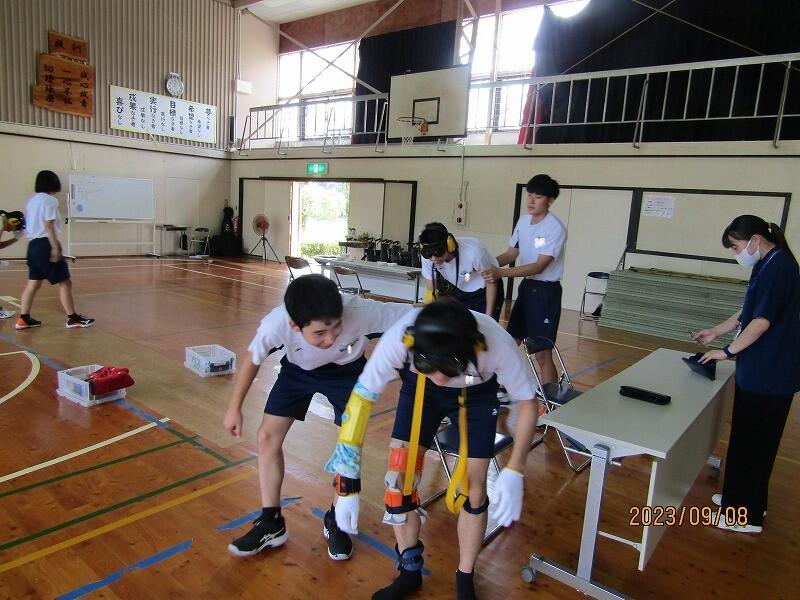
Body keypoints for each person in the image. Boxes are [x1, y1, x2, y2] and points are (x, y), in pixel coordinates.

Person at [325, 298, 539, 600]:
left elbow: (528, 404)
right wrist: (346, 485)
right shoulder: (400, 336)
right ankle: (409, 570)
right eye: (430, 366)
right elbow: (359, 401)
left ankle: (465, 576)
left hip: (476, 394)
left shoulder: (497, 343)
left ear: (472, 349)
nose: (440, 377)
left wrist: (515, 468)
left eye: (449, 368)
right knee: (397, 482)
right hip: (420, 390)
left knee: (474, 489)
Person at [223, 274, 411, 560]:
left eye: (336, 327)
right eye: (320, 333)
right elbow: (253, 358)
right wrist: (234, 407)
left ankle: (337, 518)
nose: (331, 338)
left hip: (347, 374)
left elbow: (417, 314)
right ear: (295, 326)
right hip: (297, 372)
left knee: (349, 446)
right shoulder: (276, 324)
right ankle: (271, 523)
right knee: (267, 436)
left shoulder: (362, 311)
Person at [694, 215, 799, 534]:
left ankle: (746, 516)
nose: (735, 254)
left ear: (755, 240)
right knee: (746, 439)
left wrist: (726, 352)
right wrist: (717, 331)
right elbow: (747, 310)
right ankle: (741, 501)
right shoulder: (767, 264)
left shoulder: (780, 268)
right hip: (759, 369)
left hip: (771, 373)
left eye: (736, 247)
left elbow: (761, 323)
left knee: (755, 444)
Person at [483, 174, 566, 384]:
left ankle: (549, 399)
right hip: (527, 288)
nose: (531, 201)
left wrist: (500, 273)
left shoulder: (554, 228)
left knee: (542, 353)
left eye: (538, 197)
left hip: (546, 293)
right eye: (529, 195)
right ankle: (503, 390)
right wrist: (486, 265)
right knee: (510, 343)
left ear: (550, 200)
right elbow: (511, 254)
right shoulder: (522, 221)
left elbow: (539, 266)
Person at [16, 170, 94, 330]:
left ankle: (23, 319)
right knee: (65, 282)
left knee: (33, 284)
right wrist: (55, 247)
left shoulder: (32, 201)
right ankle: (72, 318)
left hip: (32, 246)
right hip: (45, 244)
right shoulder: (50, 200)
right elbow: (49, 225)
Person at [417, 222, 501, 319]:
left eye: (438, 253)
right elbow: (431, 286)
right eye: (429, 254)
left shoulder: (474, 252)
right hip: (460, 289)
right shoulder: (428, 256)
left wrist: (488, 317)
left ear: (449, 245)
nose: (434, 259)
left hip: (485, 291)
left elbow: (491, 282)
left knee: (482, 325)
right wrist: (426, 312)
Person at [0, 210, 26, 319]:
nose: (10, 230)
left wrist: (16, 239)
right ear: (13, 221)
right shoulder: (1, 220)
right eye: (15, 228)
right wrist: (16, 238)